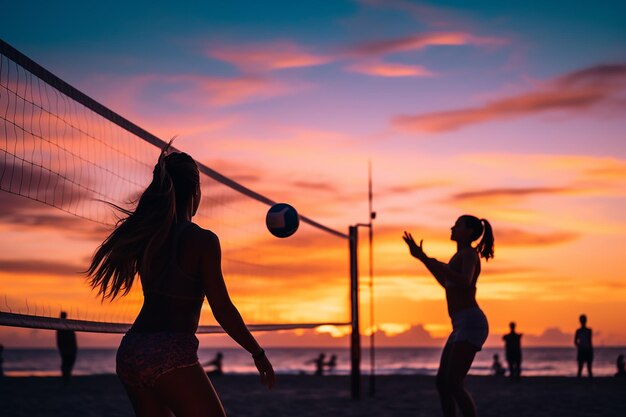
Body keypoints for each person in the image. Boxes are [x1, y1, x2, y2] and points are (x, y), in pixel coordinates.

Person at [87, 142, 275, 417]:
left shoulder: (151, 236)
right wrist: (256, 351)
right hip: (169, 352)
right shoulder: (203, 241)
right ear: (196, 193)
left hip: (131, 349)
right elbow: (222, 308)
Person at [404, 215, 494, 417]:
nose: (452, 227)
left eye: (458, 225)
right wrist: (423, 258)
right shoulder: (459, 256)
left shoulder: (469, 254)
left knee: (453, 383)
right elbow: (446, 283)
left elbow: (464, 281)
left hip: (471, 322)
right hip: (460, 324)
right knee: (442, 383)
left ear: (469, 232)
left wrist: (438, 264)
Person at [56, 311, 77, 384]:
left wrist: (75, 348)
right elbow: (59, 340)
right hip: (66, 349)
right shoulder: (60, 327)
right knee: (66, 364)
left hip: (70, 349)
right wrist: (61, 348)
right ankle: (66, 379)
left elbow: (73, 338)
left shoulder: (67, 326)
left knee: (68, 364)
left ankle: (66, 378)